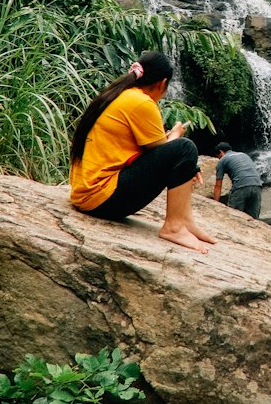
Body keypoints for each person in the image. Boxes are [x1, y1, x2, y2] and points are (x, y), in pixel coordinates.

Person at [69, 50, 215, 253]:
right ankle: (173, 228)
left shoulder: (119, 94)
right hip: (101, 198)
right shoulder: (142, 102)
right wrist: (176, 135)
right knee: (185, 148)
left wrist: (187, 164)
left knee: (183, 155)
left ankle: (185, 221)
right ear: (163, 83)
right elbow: (167, 152)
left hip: (87, 194)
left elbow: (155, 152)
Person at [213, 142, 263, 219]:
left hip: (241, 187)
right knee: (253, 219)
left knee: (234, 217)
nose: (218, 158)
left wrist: (214, 204)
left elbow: (218, 186)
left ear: (221, 152)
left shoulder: (223, 160)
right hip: (257, 185)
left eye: (218, 156)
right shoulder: (244, 155)